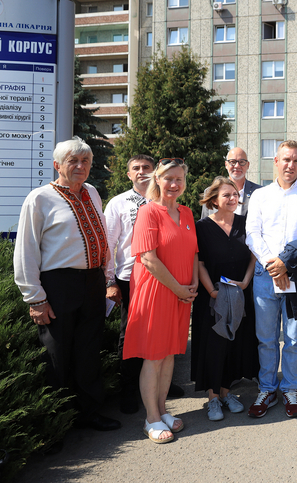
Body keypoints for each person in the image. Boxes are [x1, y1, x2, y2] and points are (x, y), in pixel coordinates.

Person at [14, 137, 121, 432]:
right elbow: (26, 250)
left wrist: (107, 278)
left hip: (92, 282)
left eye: (85, 161)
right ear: (56, 165)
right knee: (56, 355)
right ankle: (55, 424)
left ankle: (90, 413)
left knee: (89, 351)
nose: (80, 166)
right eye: (72, 161)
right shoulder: (39, 198)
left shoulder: (93, 192)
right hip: (58, 284)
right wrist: (35, 298)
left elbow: (103, 238)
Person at [246, 140, 297, 418]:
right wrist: (272, 264)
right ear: (275, 162)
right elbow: (252, 233)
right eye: (285, 160)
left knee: (294, 339)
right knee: (266, 339)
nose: (290, 165)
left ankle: (291, 388)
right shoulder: (260, 195)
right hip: (265, 277)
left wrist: (285, 263)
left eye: (295, 161)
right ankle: (267, 389)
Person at [122, 158, 199, 444]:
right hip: (156, 293)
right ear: (158, 180)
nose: (174, 184)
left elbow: (193, 252)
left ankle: (163, 410)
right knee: (153, 358)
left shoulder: (187, 213)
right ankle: (151, 419)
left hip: (181, 294)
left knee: (168, 356)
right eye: (168, 178)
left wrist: (190, 285)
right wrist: (179, 288)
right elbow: (148, 258)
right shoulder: (148, 212)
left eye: (179, 179)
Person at [104, 154, 184, 415]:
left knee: (163, 334)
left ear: (154, 173)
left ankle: (163, 384)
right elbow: (109, 244)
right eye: (136, 168)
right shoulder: (118, 203)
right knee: (131, 335)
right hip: (130, 277)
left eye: (146, 168)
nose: (141, 172)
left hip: (165, 278)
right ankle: (128, 390)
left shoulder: (165, 201)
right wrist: (109, 280)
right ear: (129, 175)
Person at [193, 177, 257, 421]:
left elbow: (253, 257)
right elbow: (199, 263)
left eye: (234, 194)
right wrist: (212, 291)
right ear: (214, 200)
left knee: (235, 343)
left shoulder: (245, 223)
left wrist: (245, 283)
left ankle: (227, 392)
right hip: (213, 296)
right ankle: (213, 398)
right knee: (213, 345)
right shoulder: (202, 227)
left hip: (240, 294)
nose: (232, 199)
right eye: (226, 195)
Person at [200, 147, 262, 219]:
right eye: (232, 162)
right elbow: (205, 224)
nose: (237, 166)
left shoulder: (260, 192)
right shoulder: (211, 192)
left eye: (242, 162)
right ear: (226, 164)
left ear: (248, 165)